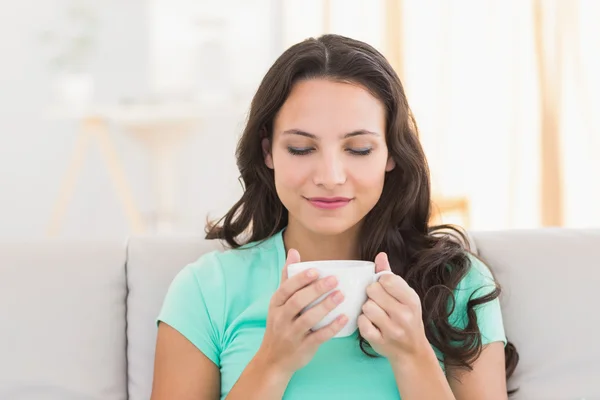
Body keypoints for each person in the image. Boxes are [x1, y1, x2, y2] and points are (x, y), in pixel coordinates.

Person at [150, 34, 519, 400]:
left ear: (391, 153)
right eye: (301, 148)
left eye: (358, 149)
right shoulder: (206, 290)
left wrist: (413, 356)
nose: (330, 176)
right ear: (268, 151)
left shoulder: (458, 283)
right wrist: (273, 362)